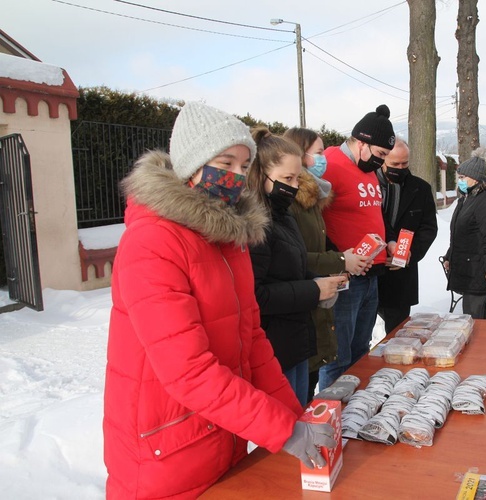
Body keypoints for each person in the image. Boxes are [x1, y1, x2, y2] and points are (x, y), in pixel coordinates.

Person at [103, 102, 335, 498]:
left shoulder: (230, 240)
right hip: (166, 453)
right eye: (224, 163)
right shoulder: (152, 243)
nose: (235, 176)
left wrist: (292, 417)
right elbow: (188, 371)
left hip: (221, 435)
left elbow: (253, 342)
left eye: (243, 167)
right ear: (191, 165)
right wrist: (281, 428)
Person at [247, 127, 346, 406]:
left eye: (297, 178)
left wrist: (320, 283)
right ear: (260, 176)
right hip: (275, 348)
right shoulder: (257, 226)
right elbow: (256, 295)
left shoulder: (283, 216)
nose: (293, 186)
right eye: (286, 178)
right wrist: (312, 290)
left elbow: (294, 268)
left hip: (297, 340)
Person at [282, 127, 370, 401]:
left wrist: (343, 258)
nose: (324, 160)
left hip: (314, 297)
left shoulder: (312, 197)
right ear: (300, 155)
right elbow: (295, 255)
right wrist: (342, 259)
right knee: (299, 392)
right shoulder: (289, 200)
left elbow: (319, 242)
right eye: (319, 153)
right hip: (298, 302)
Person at [318, 104, 396, 391]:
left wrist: (386, 242)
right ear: (361, 143)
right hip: (345, 276)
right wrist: (337, 259)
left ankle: (355, 411)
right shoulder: (329, 164)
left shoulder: (369, 170)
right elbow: (313, 219)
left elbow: (370, 213)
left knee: (362, 350)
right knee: (339, 357)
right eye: (381, 155)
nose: (382, 162)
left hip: (372, 273)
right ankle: (331, 414)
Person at [375, 139, 438, 333]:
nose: (400, 169)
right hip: (370, 270)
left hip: (401, 275)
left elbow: (428, 228)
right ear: (383, 160)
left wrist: (410, 254)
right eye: (395, 164)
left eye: (404, 164)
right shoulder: (370, 185)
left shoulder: (421, 189)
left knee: (397, 333)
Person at [443, 156, 486, 319]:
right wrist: (449, 256)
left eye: (463, 177)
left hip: (479, 268)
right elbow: (460, 234)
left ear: (475, 178)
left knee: (474, 315)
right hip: (469, 267)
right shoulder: (468, 198)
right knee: (479, 312)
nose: (460, 181)